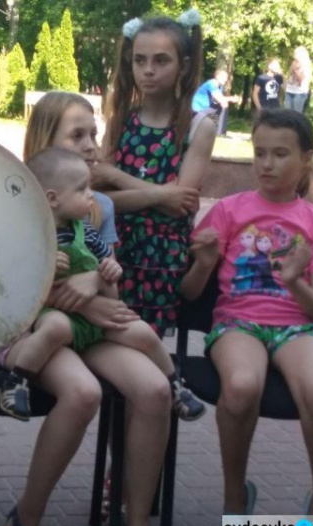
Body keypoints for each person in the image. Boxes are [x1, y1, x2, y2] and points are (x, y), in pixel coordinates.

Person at [0, 88, 174, 526]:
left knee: (154, 390)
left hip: (86, 328)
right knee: (84, 393)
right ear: (44, 142)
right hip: (38, 329)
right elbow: (2, 286)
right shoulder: (12, 202)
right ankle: (27, 516)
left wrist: (94, 284)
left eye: (94, 133)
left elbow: (103, 270)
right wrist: (82, 301)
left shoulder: (97, 208)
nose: (93, 145)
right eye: (78, 135)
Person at [180, 109, 313, 526]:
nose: (266, 164)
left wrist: (294, 282)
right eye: (260, 153)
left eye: (280, 154)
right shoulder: (230, 211)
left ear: (307, 160)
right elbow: (188, 293)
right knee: (241, 386)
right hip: (239, 321)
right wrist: (206, 263)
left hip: (299, 325)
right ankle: (237, 504)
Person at [0, 147, 179, 423]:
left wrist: (109, 271)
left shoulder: (88, 232)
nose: (91, 195)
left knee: (142, 332)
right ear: (53, 198)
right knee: (55, 327)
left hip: (91, 318)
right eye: (82, 189)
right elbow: (17, 284)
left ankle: (175, 383)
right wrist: (44, 268)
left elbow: (110, 273)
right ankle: (17, 382)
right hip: (53, 314)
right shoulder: (32, 236)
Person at [92, 11, 214, 416]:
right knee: (114, 371)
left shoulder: (198, 127)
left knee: (144, 372)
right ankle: (117, 471)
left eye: (160, 60)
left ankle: (136, 472)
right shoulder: (120, 120)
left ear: (182, 65)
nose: (148, 70)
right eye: (139, 60)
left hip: (160, 263)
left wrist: (113, 174)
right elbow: (98, 199)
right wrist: (159, 194)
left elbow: (182, 202)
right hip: (110, 255)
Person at [192, 69, 240, 136]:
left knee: (221, 106)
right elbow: (219, 98)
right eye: (224, 77)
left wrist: (224, 102)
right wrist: (231, 99)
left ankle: (214, 129)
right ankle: (216, 131)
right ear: (217, 76)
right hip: (198, 109)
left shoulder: (220, 87)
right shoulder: (211, 84)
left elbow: (217, 100)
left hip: (206, 109)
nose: (226, 80)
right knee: (220, 106)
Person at [284, 46, 313, 113]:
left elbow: (301, 80)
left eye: (296, 53)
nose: (294, 55)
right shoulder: (294, 62)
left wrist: (295, 69)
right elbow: (290, 77)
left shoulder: (306, 65)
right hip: (290, 90)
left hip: (300, 92)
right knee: (288, 114)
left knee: (296, 114)